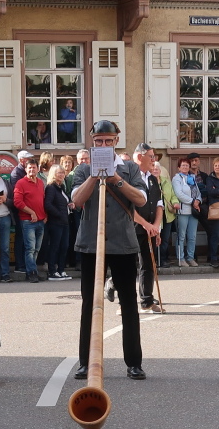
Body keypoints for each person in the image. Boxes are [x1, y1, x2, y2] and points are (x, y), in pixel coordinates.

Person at [70, 120, 148, 381]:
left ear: (116, 141)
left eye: (108, 140)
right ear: (93, 142)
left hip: (123, 244)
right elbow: (77, 201)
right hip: (92, 245)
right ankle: (86, 361)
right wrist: (95, 174)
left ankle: (134, 362)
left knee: (128, 303)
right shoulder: (82, 170)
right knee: (89, 304)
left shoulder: (129, 168)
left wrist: (114, 179)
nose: (103, 144)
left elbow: (141, 199)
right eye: (99, 141)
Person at [132, 143, 163, 311]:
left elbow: (159, 204)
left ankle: (147, 300)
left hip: (149, 227)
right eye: (150, 156)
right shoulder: (130, 177)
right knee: (129, 265)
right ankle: (123, 299)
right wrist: (145, 224)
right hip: (133, 227)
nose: (154, 160)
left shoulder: (152, 178)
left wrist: (155, 226)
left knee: (149, 264)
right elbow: (129, 208)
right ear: (139, 157)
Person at [14, 159, 47, 283]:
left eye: (34, 167)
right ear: (26, 169)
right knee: (30, 248)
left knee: (36, 248)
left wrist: (45, 215)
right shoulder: (20, 183)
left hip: (40, 220)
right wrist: (31, 212)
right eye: (30, 168)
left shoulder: (40, 182)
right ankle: (31, 272)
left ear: (38, 169)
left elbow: (43, 200)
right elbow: (17, 202)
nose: (32, 170)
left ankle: (32, 271)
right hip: (27, 221)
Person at [43, 164, 72, 280]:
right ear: (53, 174)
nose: (61, 174)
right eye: (59, 172)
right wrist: (59, 214)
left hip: (65, 222)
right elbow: (48, 205)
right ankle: (52, 271)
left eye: (62, 172)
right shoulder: (51, 187)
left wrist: (69, 204)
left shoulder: (62, 187)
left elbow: (62, 202)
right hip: (56, 222)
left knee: (64, 246)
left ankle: (61, 270)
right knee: (55, 246)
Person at [172, 157, 200, 267]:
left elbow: (198, 191)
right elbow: (179, 194)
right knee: (181, 236)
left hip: (193, 211)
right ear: (179, 167)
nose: (185, 167)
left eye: (187, 165)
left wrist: (198, 200)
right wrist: (192, 201)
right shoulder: (176, 179)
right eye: (183, 165)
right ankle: (181, 258)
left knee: (192, 236)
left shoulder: (192, 177)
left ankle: (190, 257)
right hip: (183, 211)